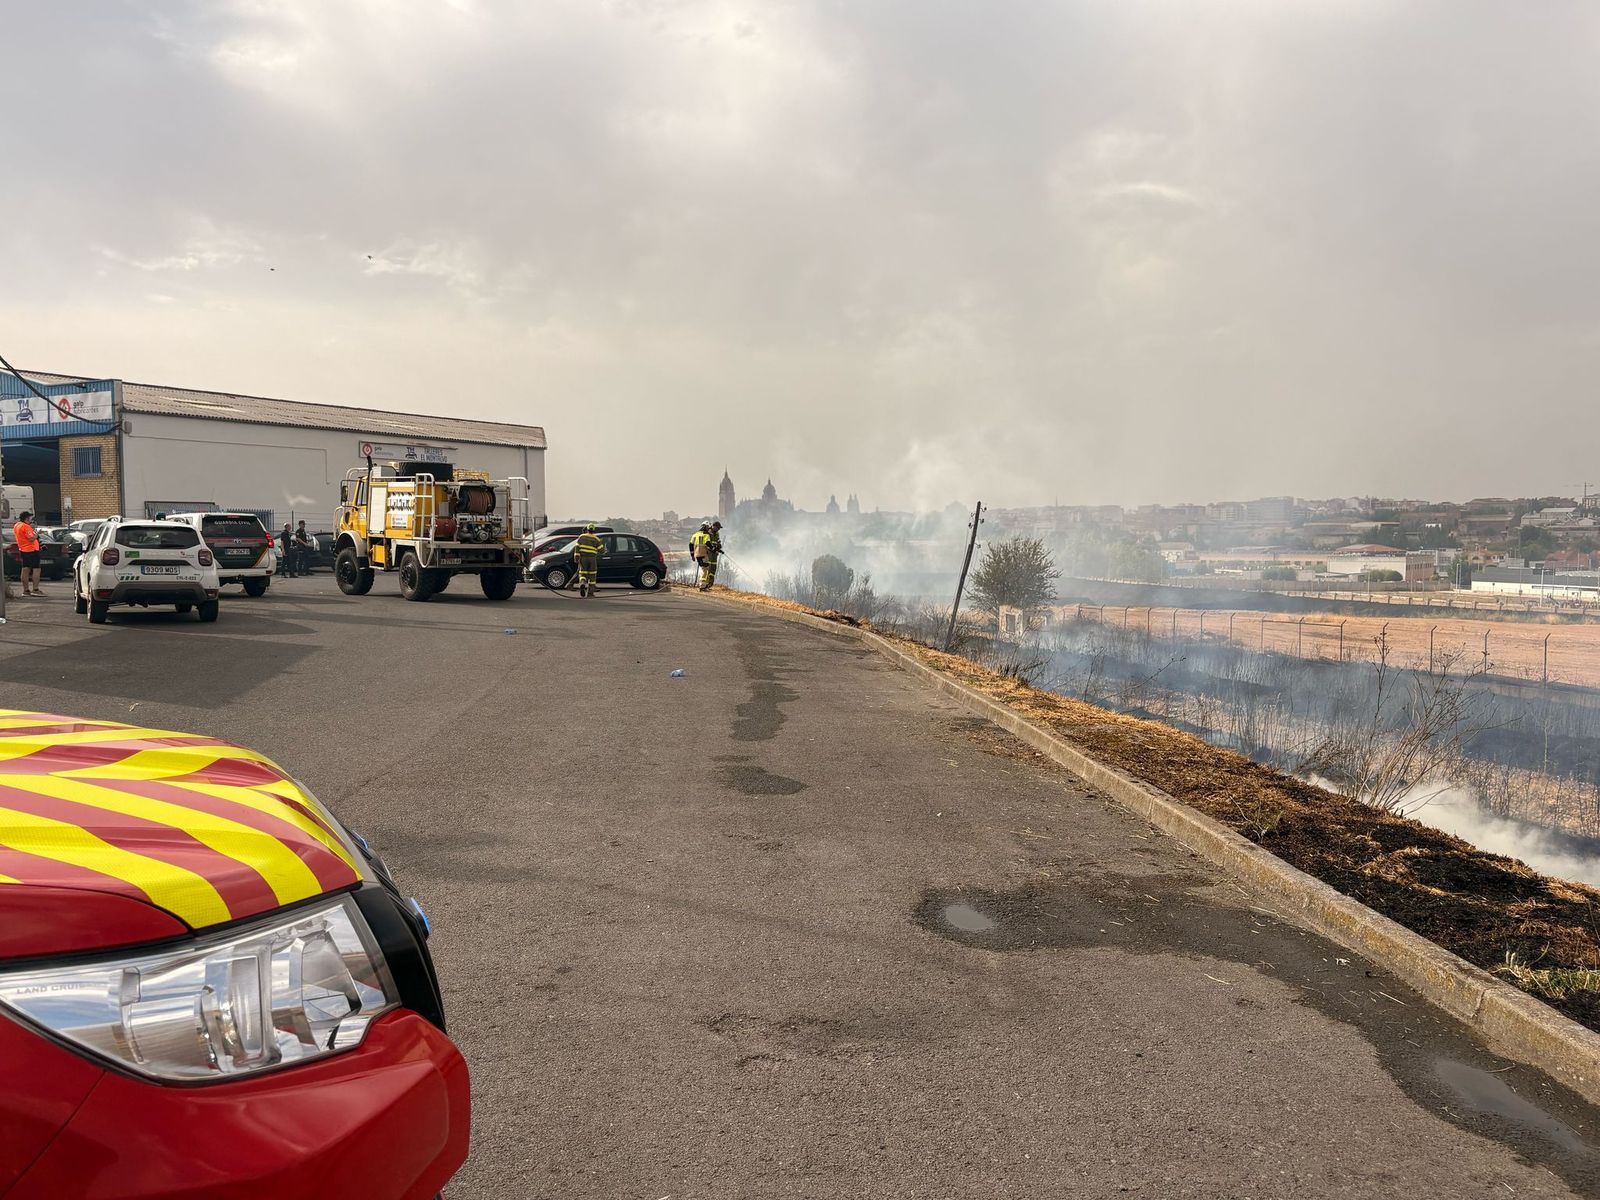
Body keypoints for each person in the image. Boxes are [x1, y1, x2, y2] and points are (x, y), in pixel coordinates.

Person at [11, 510, 43, 597]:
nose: (31, 520)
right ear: (26, 518)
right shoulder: (26, 526)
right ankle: (35, 589)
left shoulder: (17, 525)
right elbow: (31, 538)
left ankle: (26, 590)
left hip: (23, 549)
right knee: (36, 569)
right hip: (32, 550)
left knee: (25, 569)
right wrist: (37, 533)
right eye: (30, 518)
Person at [573, 523, 604, 598]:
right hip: (592, 559)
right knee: (592, 576)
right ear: (594, 530)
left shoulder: (581, 537)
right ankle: (590, 594)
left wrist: (576, 557)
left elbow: (577, 547)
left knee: (582, 574)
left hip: (583, 558)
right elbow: (601, 550)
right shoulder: (596, 539)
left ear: (587, 529)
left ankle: (582, 584)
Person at [699, 520, 723, 590]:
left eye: (719, 528)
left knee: (713, 569)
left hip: (714, 554)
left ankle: (709, 584)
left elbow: (718, 541)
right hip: (708, 553)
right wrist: (712, 548)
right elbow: (706, 542)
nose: (718, 529)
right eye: (718, 528)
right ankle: (704, 585)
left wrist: (719, 547)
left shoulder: (717, 533)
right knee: (707, 569)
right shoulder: (708, 532)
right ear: (713, 526)